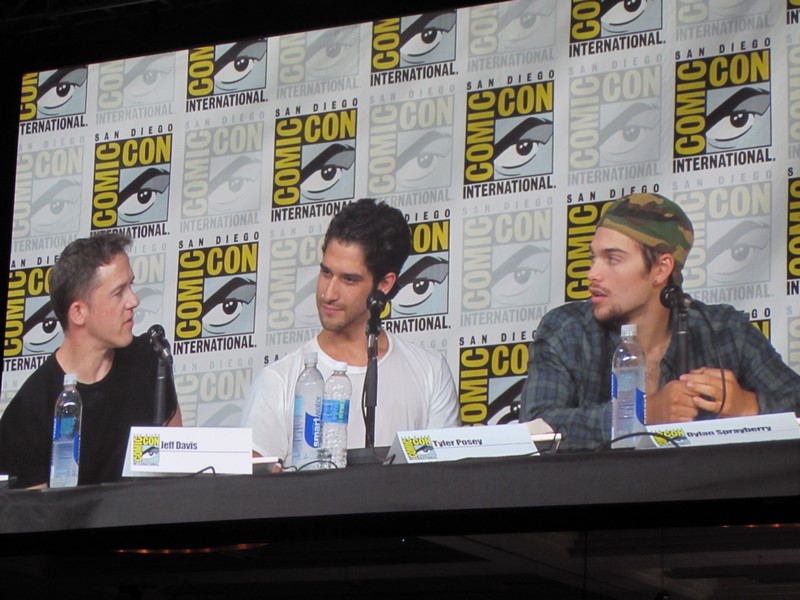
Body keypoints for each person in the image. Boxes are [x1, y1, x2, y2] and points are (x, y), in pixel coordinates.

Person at [520, 193, 800, 451]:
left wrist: (748, 407)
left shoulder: (725, 330)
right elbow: (535, 431)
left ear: (661, 269)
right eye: (594, 258)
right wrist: (640, 414)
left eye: (613, 259)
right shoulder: (567, 330)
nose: (592, 273)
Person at [241, 198, 459, 463]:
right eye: (326, 273)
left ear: (384, 284)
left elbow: (443, 480)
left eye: (348, 279)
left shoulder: (431, 372)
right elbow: (251, 484)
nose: (328, 293)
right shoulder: (278, 380)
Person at [0, 233, 181, 488]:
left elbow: (178, 475)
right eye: (118, 293)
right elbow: (36, 509)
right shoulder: (30, 410)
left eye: (130, 286)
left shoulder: (150, 361)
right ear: (78, 312)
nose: (134, 301)